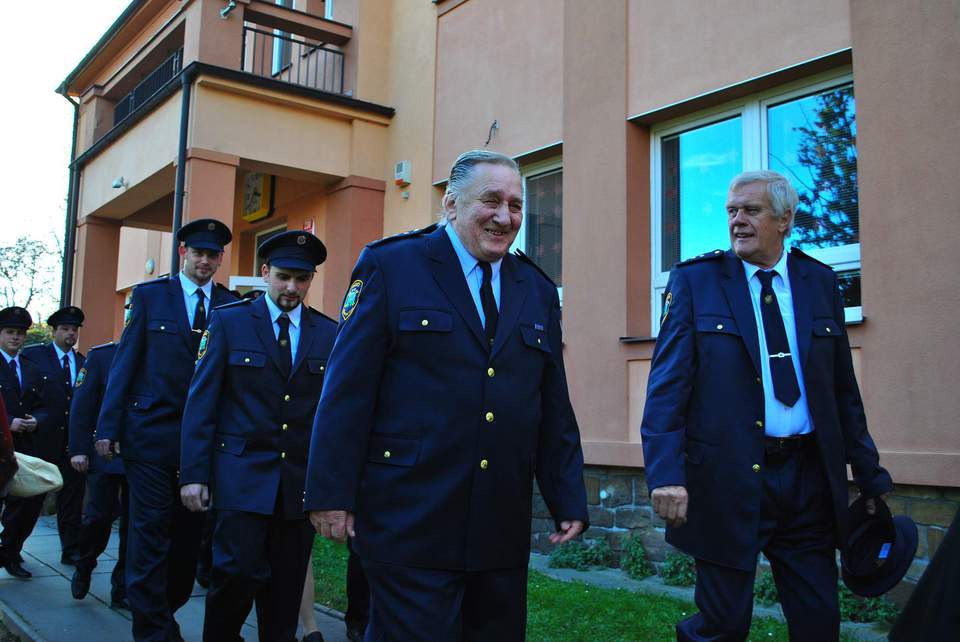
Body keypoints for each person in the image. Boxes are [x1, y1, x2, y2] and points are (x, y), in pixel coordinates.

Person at [305, 150, 589, 641]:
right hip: (408, 517)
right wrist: (331, 493)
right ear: (451, 204)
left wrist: (567, 495)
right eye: (491, 201)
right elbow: (347, 390)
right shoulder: (393, 266)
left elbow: (551, 404)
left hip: (498, 525)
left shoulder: (536, 288)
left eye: (516, 205)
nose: (505, 217)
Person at [641, 170, 893, 641]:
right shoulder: (697, 281)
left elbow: (842, 391)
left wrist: (870, 477)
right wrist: (666, 475)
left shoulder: (819, 282)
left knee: (819, 621)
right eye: (731, 211)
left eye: (751, 211)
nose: (737, 221)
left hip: (807, 479)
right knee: (722, 625)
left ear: (785, 219)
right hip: (726, 478)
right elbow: (667, 388)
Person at [180, 230, 335, 642]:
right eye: (283, 276)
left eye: (301, 279)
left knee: (285, 589)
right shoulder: (229, 322)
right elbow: (202, 403)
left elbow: (331, 416)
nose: (292, 287)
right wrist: (193, 474)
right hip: (241, 478)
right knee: (235, 576)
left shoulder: (327, 333)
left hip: (297, 485)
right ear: (265, 273)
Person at [96, 219, 237, 641]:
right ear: (183, 253)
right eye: (199, 253)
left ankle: (165, 611)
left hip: (202, 445)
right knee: (150, 533)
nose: (205, 261)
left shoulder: (230, 306)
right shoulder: (150, 296)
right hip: (149, 436)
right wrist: (107, 426)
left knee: (187, 540)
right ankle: (153, 631)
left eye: (213, 255)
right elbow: (125, 363)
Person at [21, 306, 86, 565]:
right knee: (29, 500)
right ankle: (12, 549)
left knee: (72, 499)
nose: (71, 334)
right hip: (41, 440)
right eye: (65, 329)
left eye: (74, 329)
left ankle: (71, 549)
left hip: (71, 443)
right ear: (54, 331)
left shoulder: (83, 362)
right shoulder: (35, 356)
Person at [68, 339, 130, 609]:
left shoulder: (159, 354)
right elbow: (82, 406)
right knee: (98, 517)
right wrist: (78, 450)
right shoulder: (103, 356)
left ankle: (123, 587)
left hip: (143, 455)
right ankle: (84, 564)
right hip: (105, 454)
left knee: (136, 526)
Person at [0, 306, 49, 578]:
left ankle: (9, 552)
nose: (15, 337)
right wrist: (7, 423)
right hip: (1, 445)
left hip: (25, 448)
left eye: (20, 333)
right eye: (9, 332)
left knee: (28, 504)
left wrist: (36, 420)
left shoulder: (32, 368)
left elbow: (44, 405)